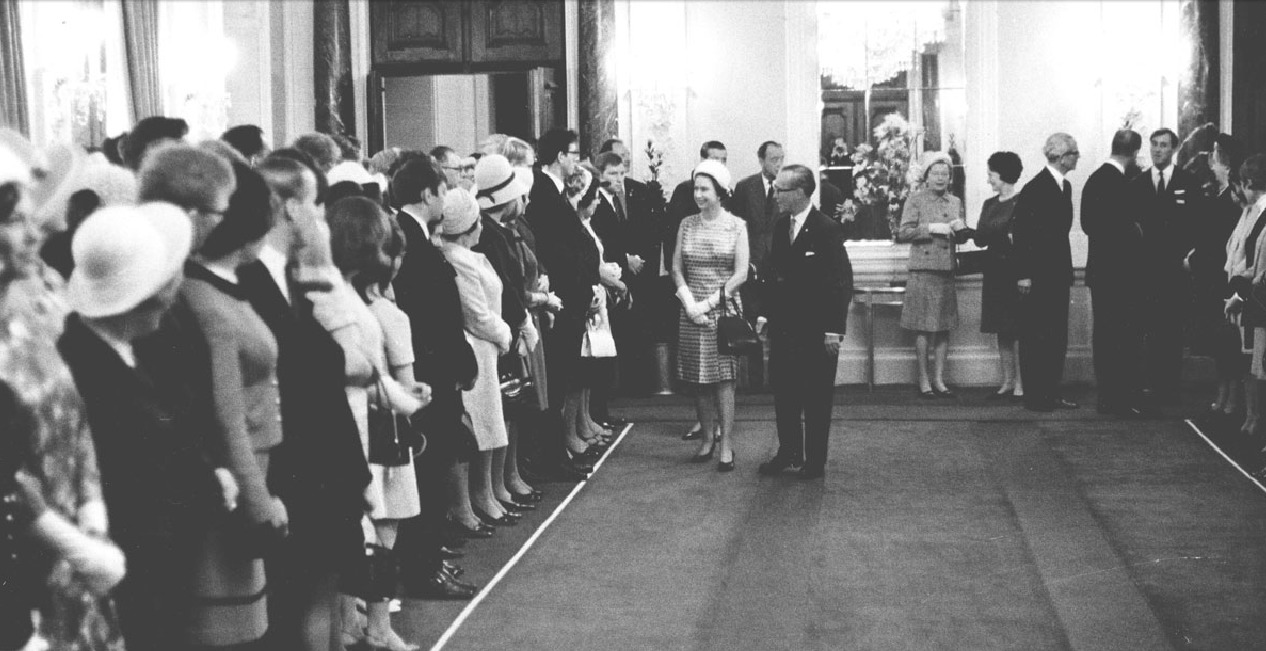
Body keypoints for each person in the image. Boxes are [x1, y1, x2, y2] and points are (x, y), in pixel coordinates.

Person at [1, 146, 128, 651]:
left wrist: (92, 518)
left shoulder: (27, 323)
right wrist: (86, 552)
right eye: (14, 222)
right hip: (25, 577)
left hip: (71, 563)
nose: (34, 235)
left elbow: (75, 423)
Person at [244, 154, 371, 650]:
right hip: (297, 470)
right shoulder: (257, 279)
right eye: (316, 206)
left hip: (320, 469)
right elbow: (302, 382)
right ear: (292, 209)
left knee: (321, 599)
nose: (322, 219)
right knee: (302, 605)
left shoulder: (288, 277)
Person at [179, 160, 288, 649]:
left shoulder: (221, 289)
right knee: (230, 631)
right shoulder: (207, 301)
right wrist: (258, 500)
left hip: (256, 468)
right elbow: (226, 419)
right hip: (240, 482)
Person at [317, 196, 426, 651]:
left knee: (362, 533)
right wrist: (406, 399)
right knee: (372, 532)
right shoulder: (340, 299)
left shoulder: (341, 293)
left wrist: (402, 397)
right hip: (357, 430)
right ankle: (372, 629)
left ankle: (356, 627)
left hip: (363, 422)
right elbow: (362, 369)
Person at [388, 156, 486, 597]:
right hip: (430, 372)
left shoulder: (415, 235)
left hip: (434, 367)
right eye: (442, 190)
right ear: (426, 194)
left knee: (434, 467)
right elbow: (427, 317)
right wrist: (457, 364)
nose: (445, 199)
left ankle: (427, 556)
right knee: (428, 470)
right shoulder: (408, 239)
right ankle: (422, 568)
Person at [757, 164, 851, 480]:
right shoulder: (782, 225)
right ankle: (789, 452)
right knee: (784, 394)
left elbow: (840, 283)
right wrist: (764, 314)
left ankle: (814, 461)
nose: (775, 194)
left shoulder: (826, 229)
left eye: (780, 189)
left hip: (816, 331)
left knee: (816, 398)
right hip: (784, 329)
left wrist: (834, 330)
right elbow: (773, 277)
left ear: (799, 192)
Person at [439, 190, 518, 527]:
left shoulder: (470, 255)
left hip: (488, 350)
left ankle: (484, 493)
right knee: (478, 429)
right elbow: (476, 314)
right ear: (469, 225)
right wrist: (505, 334)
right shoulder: (456, 258)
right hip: (477, 347)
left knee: (489, 425)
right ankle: (471, 501)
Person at [672, 159, 749, 471]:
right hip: (690, 310)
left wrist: (707, 306)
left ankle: (726, 444)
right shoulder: (686, 224)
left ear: (721, 191)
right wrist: (690, 304)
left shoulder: (736, 225)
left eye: (705, 189)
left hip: (723, 311)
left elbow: (741, 274)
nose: (698, 194)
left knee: (723, 380)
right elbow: (677, 267)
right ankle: (706, 439)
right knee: (698, 379)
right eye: (696, 188)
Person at [1132, 128, 1200, 408]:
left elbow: (1197, 224)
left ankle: (1169, 387)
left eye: (1163, 145)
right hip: (1146, 271)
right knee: (1148, 328)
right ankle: (1150, 384)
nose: (1158, 150)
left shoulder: (1188, 181)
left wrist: (1189, 258)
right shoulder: (1137, 183)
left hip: (1175, 271)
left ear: (1173, 149)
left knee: (1171, 330)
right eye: (1154, 145)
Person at [1014, 133, 1080, 412]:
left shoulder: (1063, 186)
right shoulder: (1035, 187)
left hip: (1056, 273)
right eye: (1075, 153)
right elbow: (1021, 233)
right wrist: (1024, 273)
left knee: (1055, 336)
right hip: (1037, 276)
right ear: (1062, 157)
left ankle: (1050, 392)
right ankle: (1036, 396)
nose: (1077, 157)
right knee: (1036, 336)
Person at [666, 141, 727, 441]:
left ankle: (720, 426)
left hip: (720, 294)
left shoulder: (729, 196)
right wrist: (687, 298)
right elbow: (673, 242)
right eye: (714, 159)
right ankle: (703, 422)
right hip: (689, 286)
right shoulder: (683, 194)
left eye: (723, 160)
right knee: (696, 367)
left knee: (722, 368)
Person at [1081, 130, 1145, 416]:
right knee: (1124, 335)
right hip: (1123, 273)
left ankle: (1108, 396)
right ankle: (1120, 396)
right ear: (1134, 153)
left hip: (1101, 271)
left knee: (1105, 334)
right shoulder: (1122, 182)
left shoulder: (1095, 179)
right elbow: (1127, 227)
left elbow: (1087, 224)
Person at [896, 152, 967, 398]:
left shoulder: (955, 201)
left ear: (950, 177)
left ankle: (939, 379)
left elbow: (959, 232)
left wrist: (961, 230)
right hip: (923, 270)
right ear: (926, 177)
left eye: (945, 174)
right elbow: (903, 232)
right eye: (935, 173)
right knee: (923, 328)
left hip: (945, 270)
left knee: (943, 327)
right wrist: (930, 229)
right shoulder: (915, 199)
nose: (940, 178)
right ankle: (924, 379)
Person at [1189, 135, 1245, 419]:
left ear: (1224, 160)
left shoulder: (1232, 199)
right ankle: (1223, 391)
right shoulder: (1220, 195)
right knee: (1221, 343)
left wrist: (1194, 260)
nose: (1210, 162)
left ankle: (1231, 396)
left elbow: (1218, 243)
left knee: (1229, 343)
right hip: (1214, 278)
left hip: (1225, 279)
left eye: (1214, 156)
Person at [974, 152, 1025, 401]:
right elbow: (981, 239)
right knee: (1001, 329)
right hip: (994, 272)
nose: (988, 180)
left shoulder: (1023, 202)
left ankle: (1022, 383)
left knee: (1017, 329)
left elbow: (1023, 242)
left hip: (1014, 273)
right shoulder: (989, 204)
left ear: (1003, 174)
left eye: (991, 174)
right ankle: (1007, 381)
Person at [1225, 154, 1266, 437]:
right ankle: (1252, 417)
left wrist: (1242, 287)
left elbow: (1256, 262)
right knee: (1249, 359)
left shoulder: (1262, 214)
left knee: (1257, 360)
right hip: (1247, 291)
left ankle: (1256, 419)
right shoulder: (1251, 210)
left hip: (1255, 295)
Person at [730, 140, 785, 277]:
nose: (779, 164)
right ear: (761, 161)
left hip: (780, 260)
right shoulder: (745, 187)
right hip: (751, 259)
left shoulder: (788, 187)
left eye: (781, 159)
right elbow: (736, 226)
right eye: (774, 159)